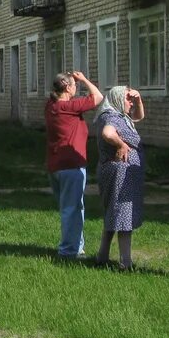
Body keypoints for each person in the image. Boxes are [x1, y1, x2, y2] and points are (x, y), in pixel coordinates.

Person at [44, 70, 105, 261]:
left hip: (55, 165)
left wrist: (73, 81)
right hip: (71, 165)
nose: (76, 87)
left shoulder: (51, 106)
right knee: (72, 209)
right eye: (74, 85)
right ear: (68, 87)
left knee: (69, 208)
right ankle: (69, 251)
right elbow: (98, 97)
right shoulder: (69, 106)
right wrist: (84, 79)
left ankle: (76, 247)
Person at [93, 85, 145, 270]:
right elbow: (108, 133)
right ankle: (126, 263)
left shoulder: (118, 115)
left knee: (113, 214)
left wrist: (138, 100)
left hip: (119, 172)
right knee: (123, 216)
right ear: (116, 99)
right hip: (120, 173)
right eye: (127, 99)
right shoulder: (112, 117)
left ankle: (102, 256)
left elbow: (139, 117)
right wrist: (122, 145)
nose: (130, 103)